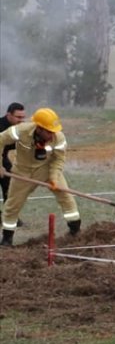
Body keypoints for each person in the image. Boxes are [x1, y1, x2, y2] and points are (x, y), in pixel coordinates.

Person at [0, 107, 80, 246]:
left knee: (66, 196)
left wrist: (54, 178)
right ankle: (7, 239)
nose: (52, 135)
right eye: (49, 131)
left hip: (47, 169)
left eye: (53, 131)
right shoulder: (20, 131)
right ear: (39, 128)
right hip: (22, 172)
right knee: (12, 205)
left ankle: (75, 231)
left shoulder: (59, 138)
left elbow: (58, 159)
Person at [1, 102, 24, 210]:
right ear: (8, 115)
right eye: (18, 117)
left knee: (10, 186)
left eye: (22, 117)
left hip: (3, 157)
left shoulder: (18, 128)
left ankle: (9, 214)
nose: (21, 120)